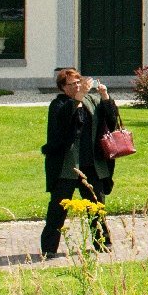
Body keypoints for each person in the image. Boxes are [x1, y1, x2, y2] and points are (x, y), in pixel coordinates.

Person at [39, 68, 117, 257]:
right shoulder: (58, 105)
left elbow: (111, 121)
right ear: (63, 88)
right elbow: (65, 120)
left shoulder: (92, 100)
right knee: (58, 208)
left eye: (77, 82)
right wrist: (79, 96)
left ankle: (102, 243)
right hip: (67, 166)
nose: (76, 86)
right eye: (71, 84)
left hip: (92, 164)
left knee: (96, 206)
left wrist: (105, 96)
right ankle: (49, 249)